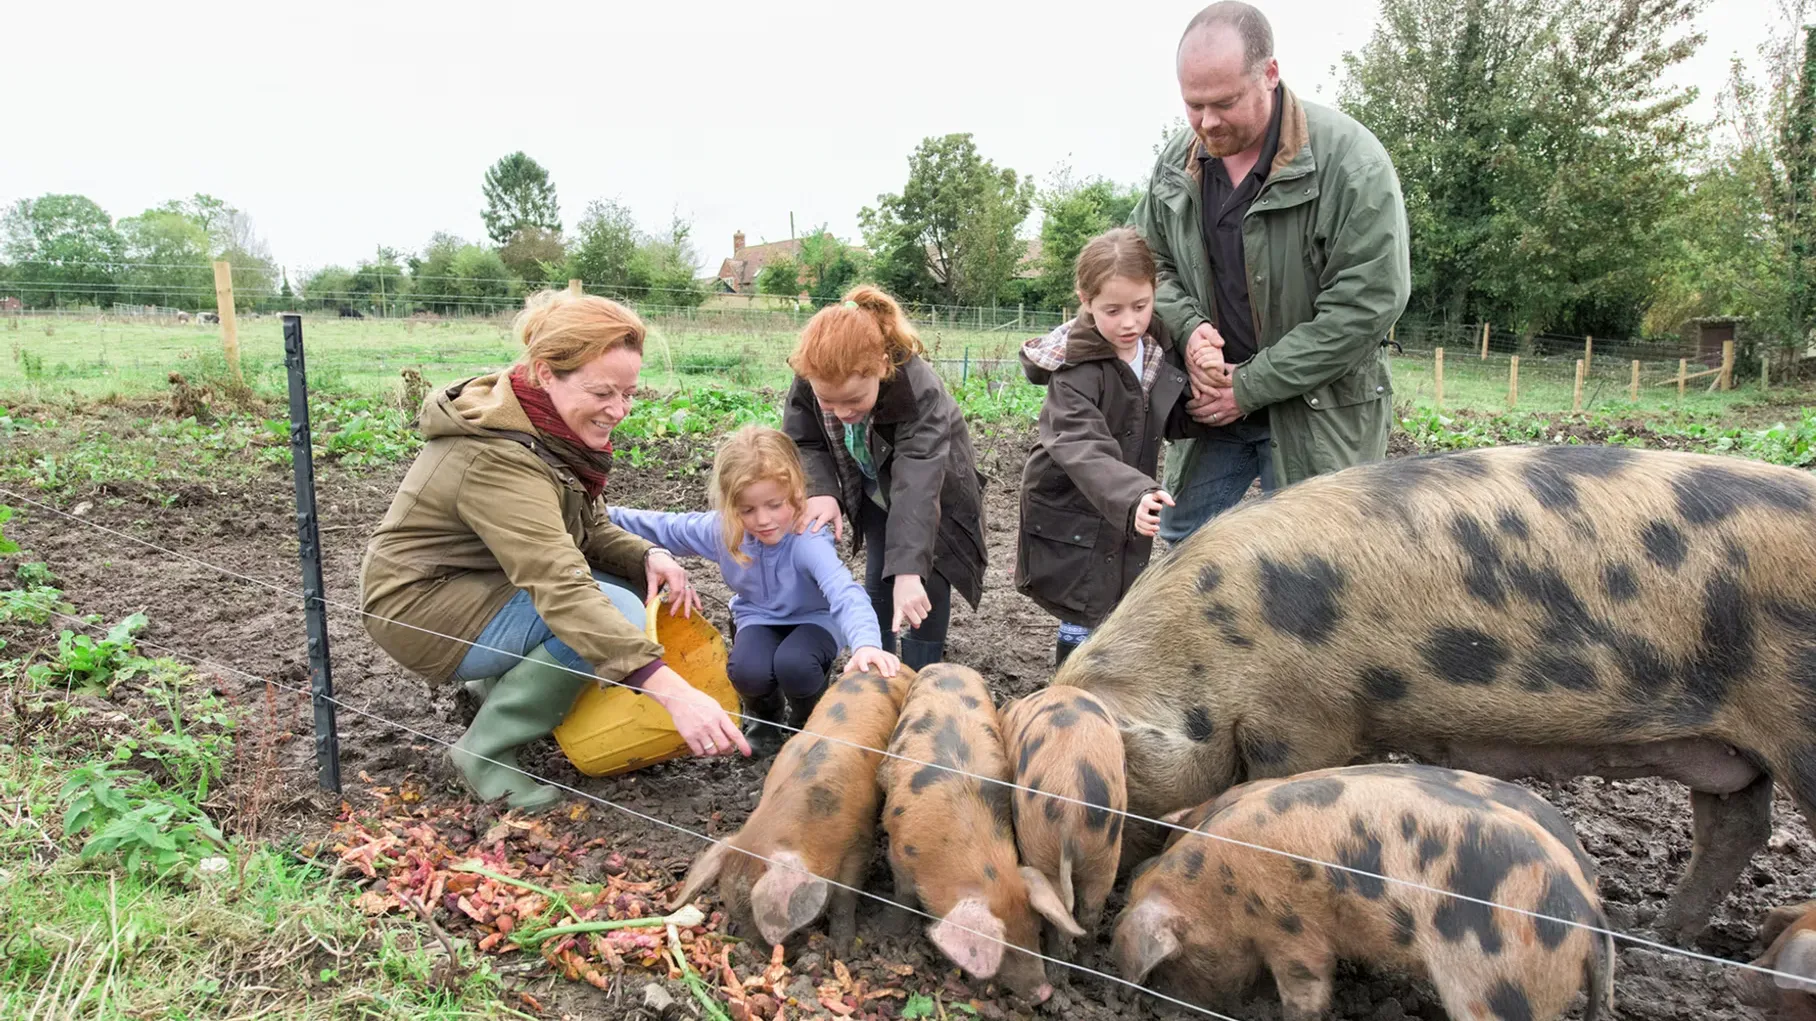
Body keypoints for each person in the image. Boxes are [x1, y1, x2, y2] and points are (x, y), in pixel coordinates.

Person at [359, 288, 750, 812]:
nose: (619, 410)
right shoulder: (499, 455)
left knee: (628, 588)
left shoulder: (544, 428)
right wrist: (671, 691)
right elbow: (559, 582)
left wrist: (646, 556)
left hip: (473, 583)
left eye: (629, 393)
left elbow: (585, 530)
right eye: (603, 392)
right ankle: (485, 753)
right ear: (546, 373)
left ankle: (497, 692)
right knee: (614, 609)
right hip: (418, 608)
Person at [1130, 0, 1411, 543]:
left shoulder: (1350, 163)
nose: (1207, 122)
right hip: (1211, 407)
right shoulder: (1176, 162)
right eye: (1193, 105)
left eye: (1225, 103)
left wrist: (1251, 385)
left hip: (1318, 412)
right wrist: (1190, 332)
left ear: (1271, 74)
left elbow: (1368, 303)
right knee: (1184, 545)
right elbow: (1145, 264)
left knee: (1319, 561)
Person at [606, 425, 901, 757]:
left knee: (795, 665)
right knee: (747, 670)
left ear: (797, 493)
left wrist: (865, 645)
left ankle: (807, 721)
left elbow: (845, 593)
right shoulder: (724, 531)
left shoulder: (807, 539)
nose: (763, 520)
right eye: (747, 510)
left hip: (816, 620)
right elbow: (663, 526)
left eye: (774, 505)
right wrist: (594, 514)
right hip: (758, 616)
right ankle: (765, 721)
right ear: (732, 506)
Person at [1014, 228, 1198, 667]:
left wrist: (1208, 406)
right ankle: (1069, 698)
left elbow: (1156, 410)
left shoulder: (1155, 346)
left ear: (1155, 292)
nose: (1129, 322)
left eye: (1140, 306)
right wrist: (1134, 493)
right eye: (1112, 310)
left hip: (1120, 498)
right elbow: (1080, 442)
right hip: (1071, 503)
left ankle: (1101, 694)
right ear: (1085, 299)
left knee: (1116, 600)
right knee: (1084, 607)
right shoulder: (1074, 368)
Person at [782, 285, 988, 672]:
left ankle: (919, 674)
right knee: (879, 572)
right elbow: (803, 438)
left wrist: (910, 571)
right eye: (829, 402)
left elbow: (917, 482)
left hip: (936, 485)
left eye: (854, 401)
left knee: (926, 577)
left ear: (880, 366)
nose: (841, 412)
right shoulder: (812, 371)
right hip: (871, 478)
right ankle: (880, 669)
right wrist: (823, 491)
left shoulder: (920, 390)